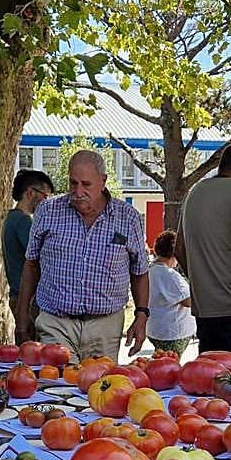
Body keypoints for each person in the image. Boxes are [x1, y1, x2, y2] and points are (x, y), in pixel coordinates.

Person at [16, 151, 150, 362]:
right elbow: (31, 264)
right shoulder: (48, 211)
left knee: (101, 391)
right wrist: (22, 316)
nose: (78, 192)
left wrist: (141, 315)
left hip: (106, 326)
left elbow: (140, 271)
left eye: (86, 184)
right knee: (58, 387)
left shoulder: (128, 217)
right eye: (73, 183)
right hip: (56, 323)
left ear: (103, 181)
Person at [176, 141, 231, 358]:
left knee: (211, 377)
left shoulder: (194, 192)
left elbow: (179, 249)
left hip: (204, 308)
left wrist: (202, 279)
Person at [2, 169, 54, 325]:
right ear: (31, 192)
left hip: (18, 295)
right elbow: (41, 256)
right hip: (27, 298)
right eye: (45, 196)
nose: (47, 201)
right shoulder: (23, 222)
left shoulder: (11, 218)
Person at [146, 231, 196, 354]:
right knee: (171, 366)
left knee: (161, 362)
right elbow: (188, 301)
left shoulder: (149, 271)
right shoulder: (170, 275)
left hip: (155, 329)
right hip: (173, 332)